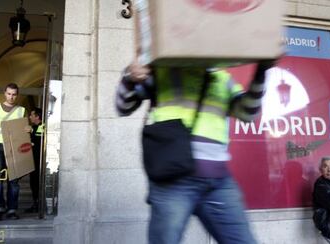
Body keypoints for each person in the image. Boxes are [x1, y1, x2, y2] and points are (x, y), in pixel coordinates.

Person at [116, 59, 273, 244]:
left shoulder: (222, 78)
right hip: (173, 181)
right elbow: (123, 107)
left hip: (218, 182)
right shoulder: (163, 71)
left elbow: (248, 113)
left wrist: (261, 71)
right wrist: (129, 76)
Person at [0, 83, 27, 221]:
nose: (11, 97)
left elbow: (24, 128)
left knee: (13, 180)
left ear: (17, 95)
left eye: (14, 94)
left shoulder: (21, 110)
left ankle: (12, 209)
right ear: (4, 93)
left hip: (14, 147)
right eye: (9, 94)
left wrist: (28, 130)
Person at [25, 107, 44, 213]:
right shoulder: (33, 127)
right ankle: (35, 203)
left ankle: (39, 205)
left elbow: (39, 140)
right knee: (33, 183)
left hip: (39, 161)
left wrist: (32, 131)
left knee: (37, 183)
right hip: (33, 160)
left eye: (32, 115)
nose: (30, 117)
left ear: (37, 116)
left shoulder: (42, 127)